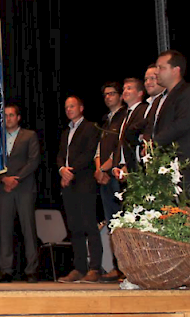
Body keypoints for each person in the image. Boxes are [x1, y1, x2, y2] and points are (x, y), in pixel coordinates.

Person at [56, 96, 102, 283]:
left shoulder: (91, 127)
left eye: (72, 106)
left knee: (89, 225)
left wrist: (70, 172)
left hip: (84, 182)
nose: (69, 109)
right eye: (66, 107)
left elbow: (89, 153)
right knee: (74, 227)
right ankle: (79, 268)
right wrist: (62, 170)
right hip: (69, 184)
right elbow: (60, 155)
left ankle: (95, 268)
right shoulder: (66, 131)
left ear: (81, 108)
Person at [0, 104, 40, 283]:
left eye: (11, 115)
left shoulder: (29, 135)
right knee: (5, 230)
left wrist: (16, 179)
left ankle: (32, 270)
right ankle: (6, 270)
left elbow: (33, 161)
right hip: (4, 188)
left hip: (24, 188)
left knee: (28, 229)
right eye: (5, 116)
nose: (8, 118)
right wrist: (3, 178)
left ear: (18, 117)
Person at [92, 83, 126, 282]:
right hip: (104, 175)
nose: (107, 97)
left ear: (120, 96)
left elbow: (121, 148)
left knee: (122, 223)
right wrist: (98, 169)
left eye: (112, 94)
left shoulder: (124, 117)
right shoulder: (106, 120)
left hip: (117, 175)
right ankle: (116, 266)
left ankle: (125, 269)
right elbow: (99, 149)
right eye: (105, 94)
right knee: (112, 224)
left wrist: (104, 168)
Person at [152, 50, 190, 190]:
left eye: (161, 68)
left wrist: (154, 142)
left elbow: (182, 123)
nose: (156, 72)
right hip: (170, 165)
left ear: (176, 70)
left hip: (184, 165)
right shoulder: (166, 97)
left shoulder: (186, 92)